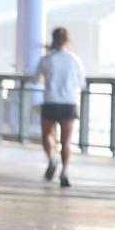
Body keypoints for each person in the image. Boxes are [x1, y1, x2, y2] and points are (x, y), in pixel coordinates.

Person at [34, 26, 85, 188]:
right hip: (69, 103)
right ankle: (65, 171)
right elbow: (82, 84)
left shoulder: (47, 59)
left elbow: (36, 80)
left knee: (47, 135)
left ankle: (52, 158)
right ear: (68, 41)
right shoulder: (75, 60)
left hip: (50, 101)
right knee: (66, 140)